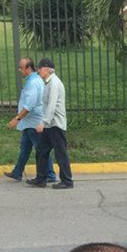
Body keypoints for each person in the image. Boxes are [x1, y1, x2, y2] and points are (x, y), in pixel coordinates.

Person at [4, 57, 56, 185]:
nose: (19, 70)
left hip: (33, 122)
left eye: (21, 68)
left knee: (41, 148)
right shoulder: (34, 80)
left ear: (28, 68)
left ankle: (50, 174)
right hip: (29, 122)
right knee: (25, 147)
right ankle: (17, 172)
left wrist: (17, 119)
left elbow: (29, 105)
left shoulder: (33, 83)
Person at [31, 57, 73, 191]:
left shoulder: (54, 83)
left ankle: (67, 181)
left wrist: (43, 122)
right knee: (41, 151)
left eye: (40, 68)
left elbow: (52, 105)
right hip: (50, 124)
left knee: (60, 153)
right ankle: (41, 179)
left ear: (48, 69)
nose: (38, 71)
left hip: (56, 124)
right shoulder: (47, 82)